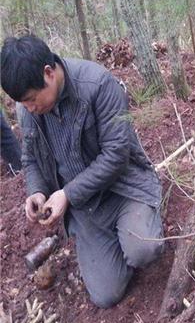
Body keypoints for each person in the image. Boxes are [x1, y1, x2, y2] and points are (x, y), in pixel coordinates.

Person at [0, 34, 164, 308]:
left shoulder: (98, 85)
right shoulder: (27, 109)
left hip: (124, 190)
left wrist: (67, 194)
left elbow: (116, 155)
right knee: (105, 295)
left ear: (49, 73)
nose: (28, 108)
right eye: (22, 102)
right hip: (85, 209)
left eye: (30, 99)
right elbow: (30, 159)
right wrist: (37, 192)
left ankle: (142, 215)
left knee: (143, 250)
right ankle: (107, 238)